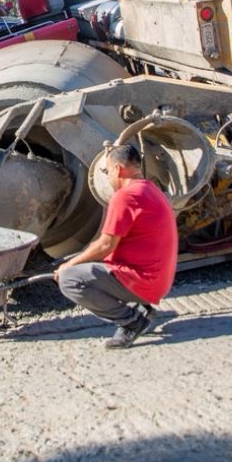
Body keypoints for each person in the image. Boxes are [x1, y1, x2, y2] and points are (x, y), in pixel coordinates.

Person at [55, 143, 178, 349]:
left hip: (143, 281)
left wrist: (69, 264)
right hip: (158, 280)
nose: (107, 177)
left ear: (118, 169)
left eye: (107, 171)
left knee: (70, 280)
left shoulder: (125, 196)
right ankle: (140, 307)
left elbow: (105, 245)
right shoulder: (151, 189)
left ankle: (131, 321)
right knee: (86, 267)